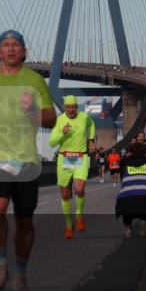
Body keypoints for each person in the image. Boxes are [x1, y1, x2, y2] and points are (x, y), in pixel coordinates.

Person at [0, 30, 56, 291]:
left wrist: (33, 112)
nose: (10, 49)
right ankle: (0, 263)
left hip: (26, 158)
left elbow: (51, 119)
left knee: (25, 221)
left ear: (24, 51)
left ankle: (20, 273)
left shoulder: (34, 80)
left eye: (16, 45)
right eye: (5, 45)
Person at [48, 95, 96, 239]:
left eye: (73, 107)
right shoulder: (60, 120)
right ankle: (69, 225)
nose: (71, 110)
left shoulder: (84, 117)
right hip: (64, 158)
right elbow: (51, 143)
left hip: (80, 157)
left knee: (79, 188)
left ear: (76, 107)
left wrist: (91, 140)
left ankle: (79, 215)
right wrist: (62, 133)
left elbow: (92, 124)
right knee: (65, 195)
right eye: (68, 107)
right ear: (64, 107)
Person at [115, 142, 146, 238]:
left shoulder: (124, 162)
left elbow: (123, 180)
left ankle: (128, 228)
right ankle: (145, 221)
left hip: (127, 200)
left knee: (126, 203)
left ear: (131, 151)